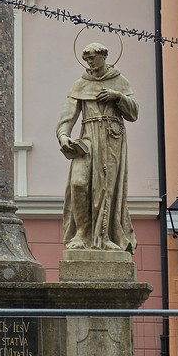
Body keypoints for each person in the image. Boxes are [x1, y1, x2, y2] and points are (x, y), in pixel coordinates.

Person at [56, 42, 138, 252]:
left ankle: (105, 236)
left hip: (112, 138)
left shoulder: (120, 81)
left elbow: (133, 114)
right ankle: (81, 233)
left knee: (106, 187)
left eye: (93, 57)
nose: (90, 62)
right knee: (79, 183)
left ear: (104, 56)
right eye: (87, 59)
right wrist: (64, 135)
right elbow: (68, 116)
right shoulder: (80, 84)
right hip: (88, 138)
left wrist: (117, 97)